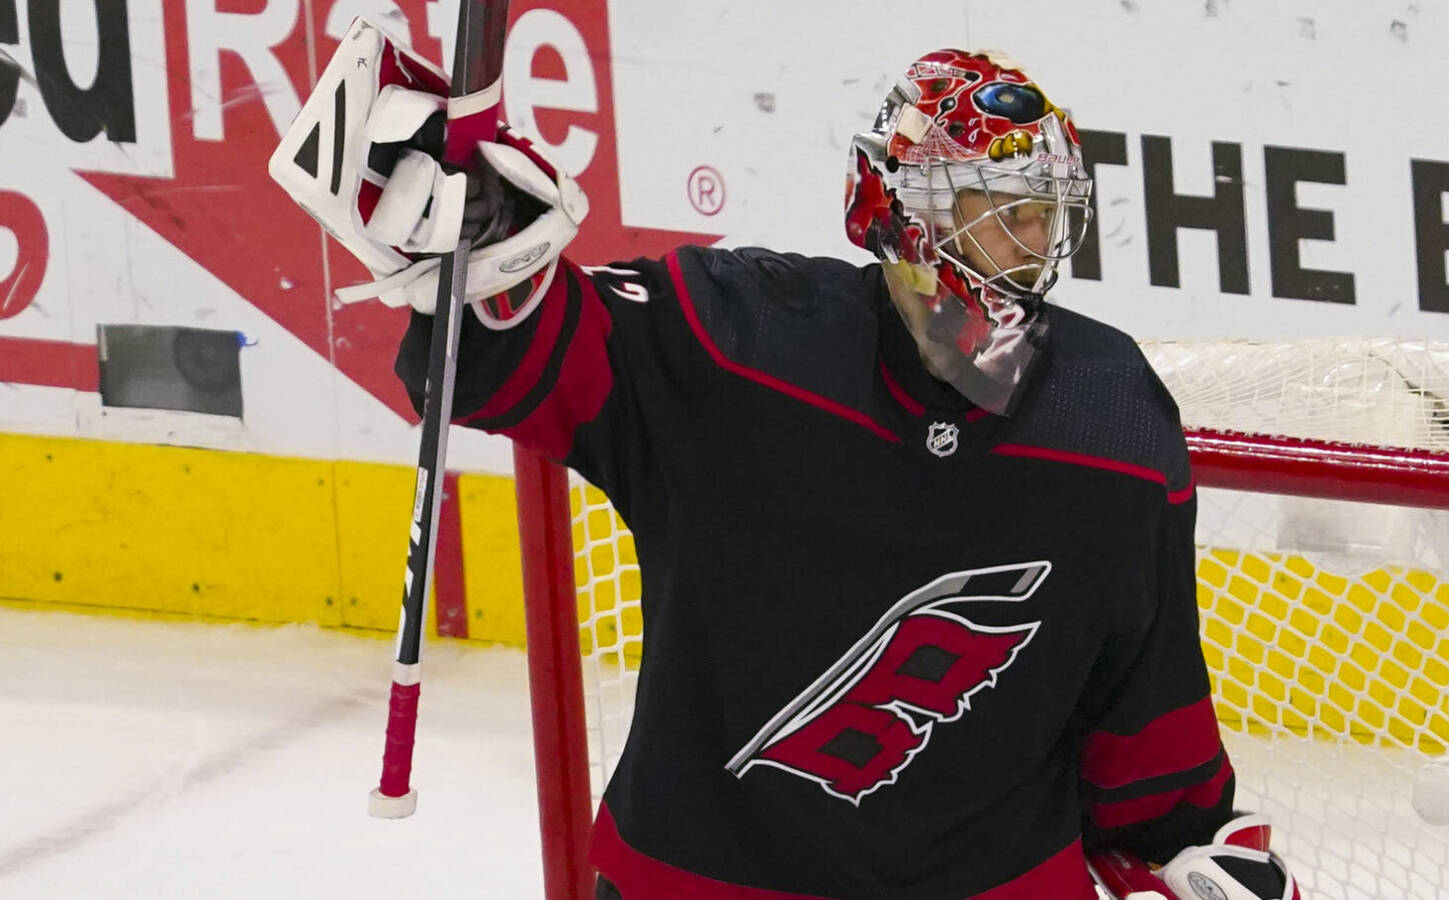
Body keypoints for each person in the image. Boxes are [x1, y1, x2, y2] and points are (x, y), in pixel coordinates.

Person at [273, 27, 1298, 900]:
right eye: (1000, 210)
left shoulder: (1109, 412)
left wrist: (1188, 845)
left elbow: (1143, 685)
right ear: (903, 210)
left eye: (1042, 213)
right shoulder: (735, 341)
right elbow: (516, 363)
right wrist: (475, 251)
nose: (1030, 246)